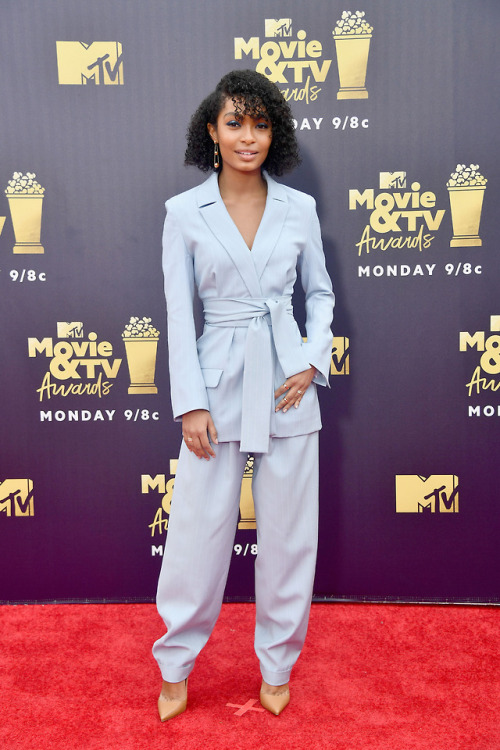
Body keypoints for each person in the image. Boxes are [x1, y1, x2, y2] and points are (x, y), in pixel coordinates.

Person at [152, 69, 334, 721]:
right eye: (236, 123)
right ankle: (175, 663)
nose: (247, 136)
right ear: (212, 129)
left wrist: (312, 361)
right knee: (198, 533)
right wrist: (189, 403)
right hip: (217, 383)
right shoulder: (183, 213)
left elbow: (319, 295)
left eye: (260, 124)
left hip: (288, 385)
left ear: (274, 132)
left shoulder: (300, 210)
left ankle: (278, 663)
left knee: (289, 536)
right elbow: (178, 315)